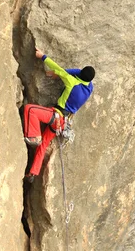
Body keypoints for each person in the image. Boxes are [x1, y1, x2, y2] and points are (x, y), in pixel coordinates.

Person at [23, 48, 95, 182]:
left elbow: (59, 68)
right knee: (43, 144)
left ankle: (33, 136)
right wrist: (61, 73)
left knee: (30, 109)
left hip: (56, 115)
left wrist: (42, 56)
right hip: (62, 123)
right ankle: (33, 173)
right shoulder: (89, 88)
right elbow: (78, 73)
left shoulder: (71, 82)